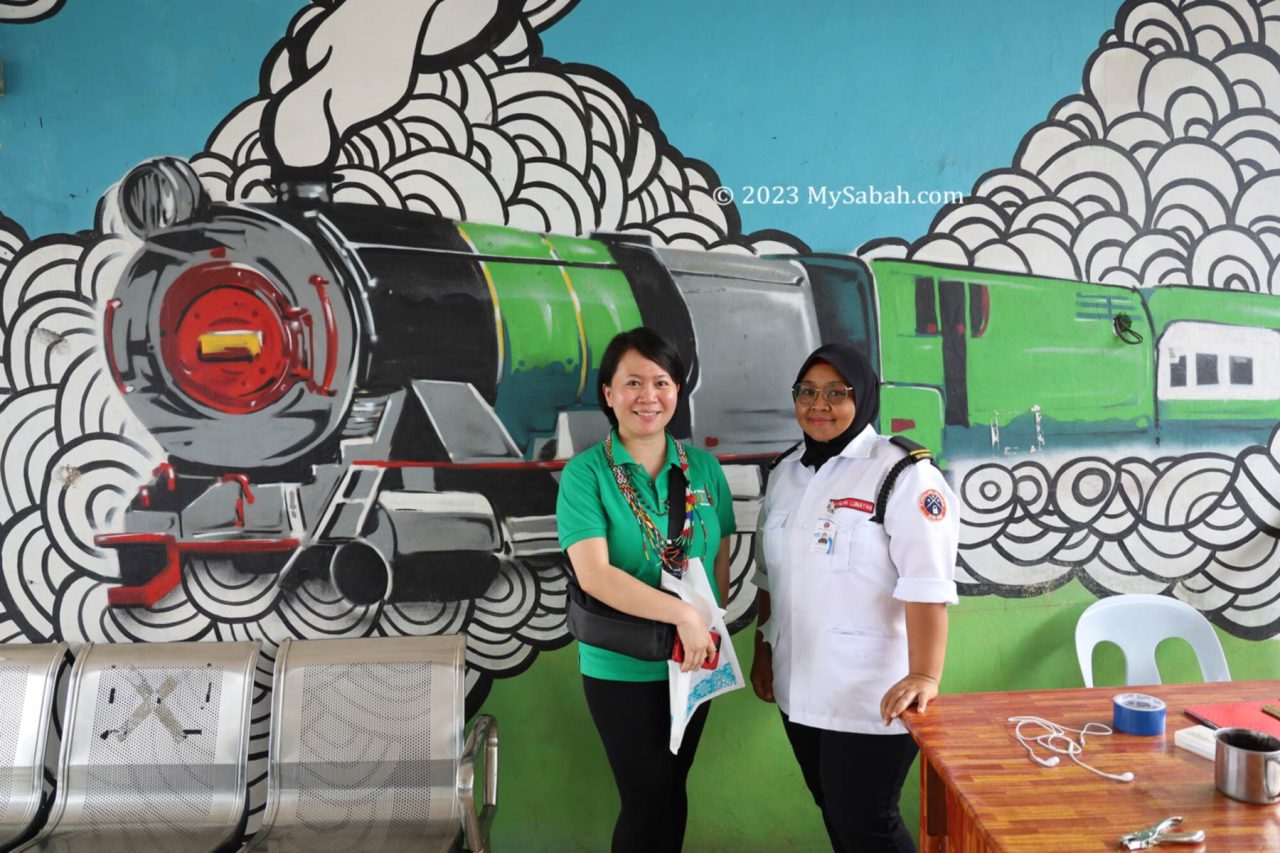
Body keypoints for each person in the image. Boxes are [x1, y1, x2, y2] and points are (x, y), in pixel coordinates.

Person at [749, 342, 959, 853]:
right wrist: (762, 652)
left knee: (866, 822)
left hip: (873, 692)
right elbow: (769, 576)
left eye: (836, 393)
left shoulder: (901, 473)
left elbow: (927, 584)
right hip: (798, 684)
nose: (819, 404)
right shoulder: (786, 472)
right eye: (807, 392)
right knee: (835, 813)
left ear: (861, 397)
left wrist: (925, 675)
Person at [556, 327, 736, 853]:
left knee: (673, 791)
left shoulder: (702, 467)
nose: (648, 396)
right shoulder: (585, 474)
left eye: (662, 382)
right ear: (608, 394)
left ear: (678, 391)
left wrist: (709, 621)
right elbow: (595, 575)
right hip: (622, 666)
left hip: (695, 659)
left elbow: (718, 549)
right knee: (645, 797)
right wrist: (682, 615)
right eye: (632, 382)